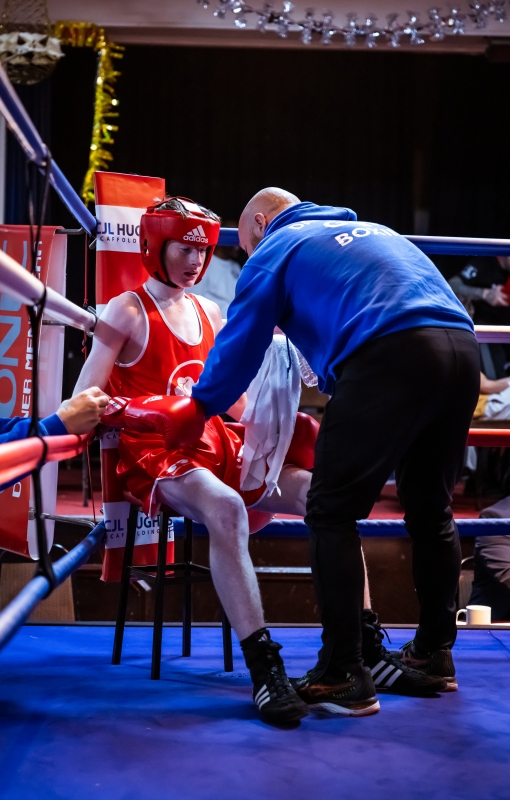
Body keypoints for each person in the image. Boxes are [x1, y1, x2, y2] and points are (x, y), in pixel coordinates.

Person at [191, 187, 479, 715]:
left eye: (246, 245)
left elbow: (240, 346)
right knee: (431, 508)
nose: (249, 255)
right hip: (461, 349)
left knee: (329, 511)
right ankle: (434, 654)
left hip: (390, 352)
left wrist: (199, 408)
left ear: (260, 223)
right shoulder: (373, 231)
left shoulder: (278, 245)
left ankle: (344, 672)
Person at [74, 197, 316, 724]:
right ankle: (265, 670)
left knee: (322, 496)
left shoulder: (210, 311)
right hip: (155, 453)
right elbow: (81, 401)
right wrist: (144, 410)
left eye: (202, 251)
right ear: (155, 246)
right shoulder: (126, 309)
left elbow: (234, 403)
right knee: (226, 508)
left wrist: (276, 420)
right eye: (184, 249)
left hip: (212, 443)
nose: (195, 261)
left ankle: (355, 650)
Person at [187, 221, 241, 317]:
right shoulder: (204, 264)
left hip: (234, 320)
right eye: (233, 238)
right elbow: (192, 298)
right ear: (223, 238)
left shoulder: (235, 266)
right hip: (212, 320)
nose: (237, 245)